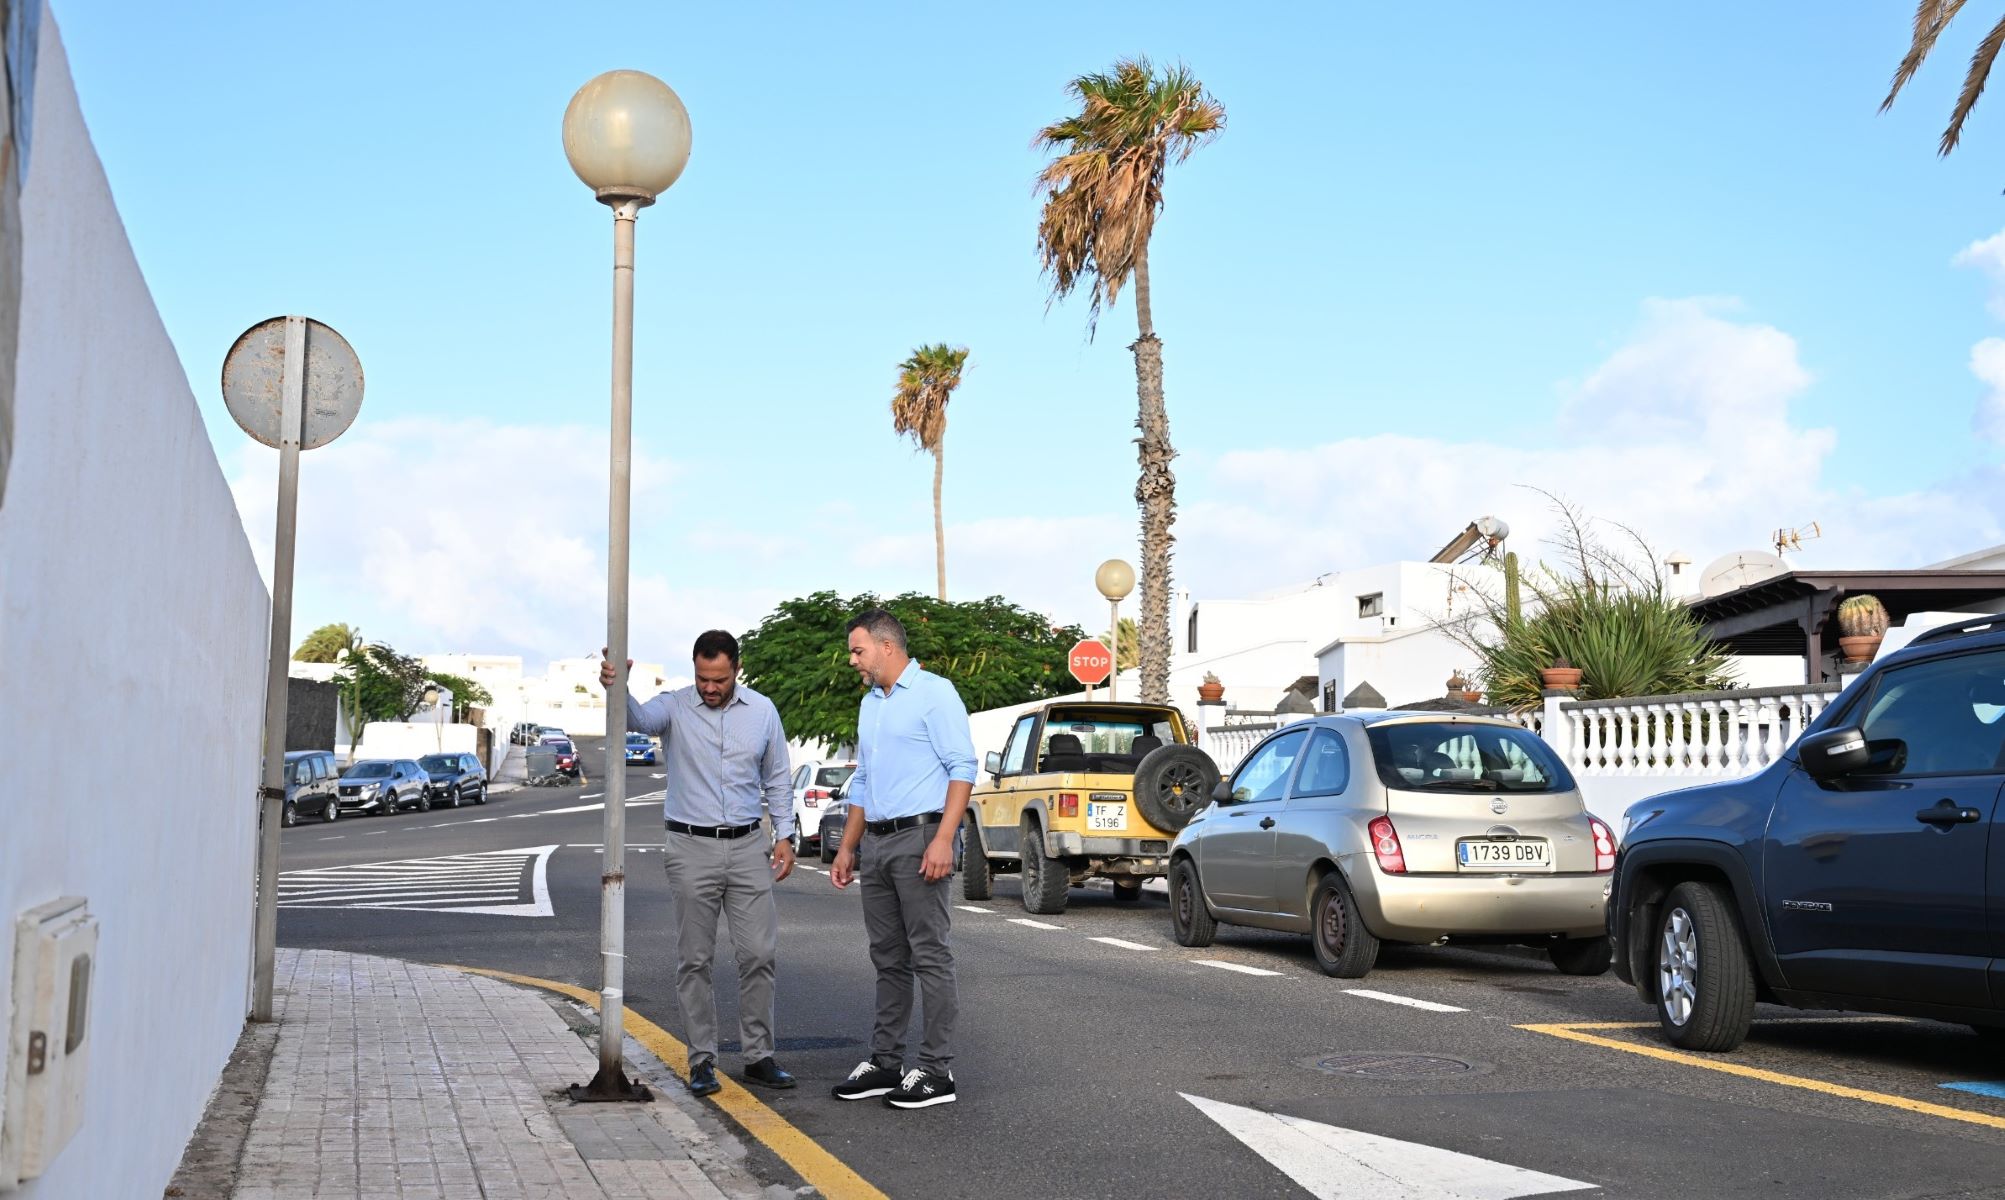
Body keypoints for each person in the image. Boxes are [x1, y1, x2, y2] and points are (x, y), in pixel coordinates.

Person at [601, 630, 798, 1097]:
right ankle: (702, 1061)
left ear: (737, 670)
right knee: (695, 960)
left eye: (720, 679)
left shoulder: (763, 712)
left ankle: (758, 1057)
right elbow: (637, 719)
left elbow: (777, 778)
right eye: (703, 678)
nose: (710, 688)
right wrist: (618, 686)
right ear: (693, 670)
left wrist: (786, 836)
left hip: (750, 845)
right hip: (691, 847)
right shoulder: (674, 706)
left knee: (759, 955)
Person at [828, 608, 976, 1109]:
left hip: (921, 836)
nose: (853, 661)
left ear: (887, 647)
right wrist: (848, 846)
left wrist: (944, 838)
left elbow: (962, 767)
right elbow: (865, 780)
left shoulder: (935, 694)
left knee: (930, 956)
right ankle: (886, 1062)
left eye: (858, 650)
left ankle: (937, 1071)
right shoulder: (871, 703)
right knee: (888, 959)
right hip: (877, 842)